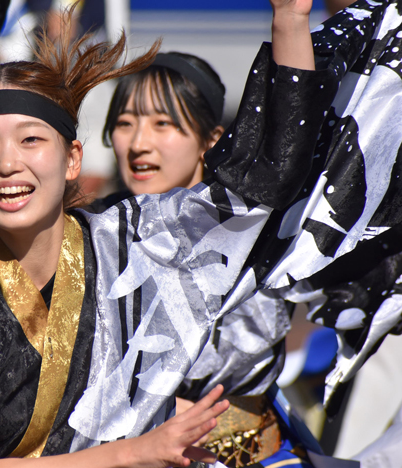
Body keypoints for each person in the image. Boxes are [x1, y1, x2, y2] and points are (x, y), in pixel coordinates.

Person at [0, 0, 341, 466]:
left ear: (73, 158)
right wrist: (136, 452)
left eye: (31, 139)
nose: (8, 162)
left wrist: (290, 18)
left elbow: (269, 172)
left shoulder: (139, 240)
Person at [96, 51, 291, 467]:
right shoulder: (89, 234)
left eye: (162, 123)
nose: (138, 143)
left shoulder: (249, 230)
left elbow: (293, 127)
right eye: (125, 124)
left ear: (212, 140)